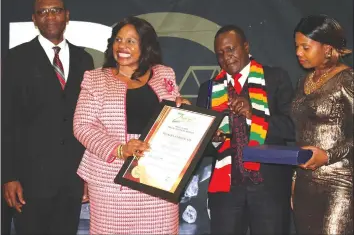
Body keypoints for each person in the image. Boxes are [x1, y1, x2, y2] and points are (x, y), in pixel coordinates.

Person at [73, 16, 190, 234]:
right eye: (118, 40)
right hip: (111, 182)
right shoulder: (95, 79)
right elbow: (82, 125)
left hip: (159, 180)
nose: (122, 46)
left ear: (145, 46)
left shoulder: (164, 74)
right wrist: (120, 149)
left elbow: (173, 115)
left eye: (131, 41)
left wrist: (182, 109)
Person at [1, 0, 94, 235]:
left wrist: (87, 176)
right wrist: (8, 176)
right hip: (29, 182)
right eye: (43, 12)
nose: (50, 16)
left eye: (56, 10)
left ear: (66, 16)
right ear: (34, 19)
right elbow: (6, 120)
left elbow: (89, 122)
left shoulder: (85, 60)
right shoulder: (16, 58)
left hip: (71, 181)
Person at [196, 25, 295, 235]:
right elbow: (202, 146)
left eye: (231, 49)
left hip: (269, 187)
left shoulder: (275, 78)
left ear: (246, 46)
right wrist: (213, 139)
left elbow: (292, 128)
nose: (226, 57)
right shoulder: (209, 89)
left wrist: (254, 116)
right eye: (220, 54)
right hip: (226, 190)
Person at [291, 14, 353, 235]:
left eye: (305, 47)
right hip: (305, 186)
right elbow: (302, 134)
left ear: (327, 49)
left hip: (340, 186)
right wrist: (295, 180)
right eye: (297, 46)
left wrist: (327, 156)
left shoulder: (348, 79)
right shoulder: (302, 82)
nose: (298, 53)